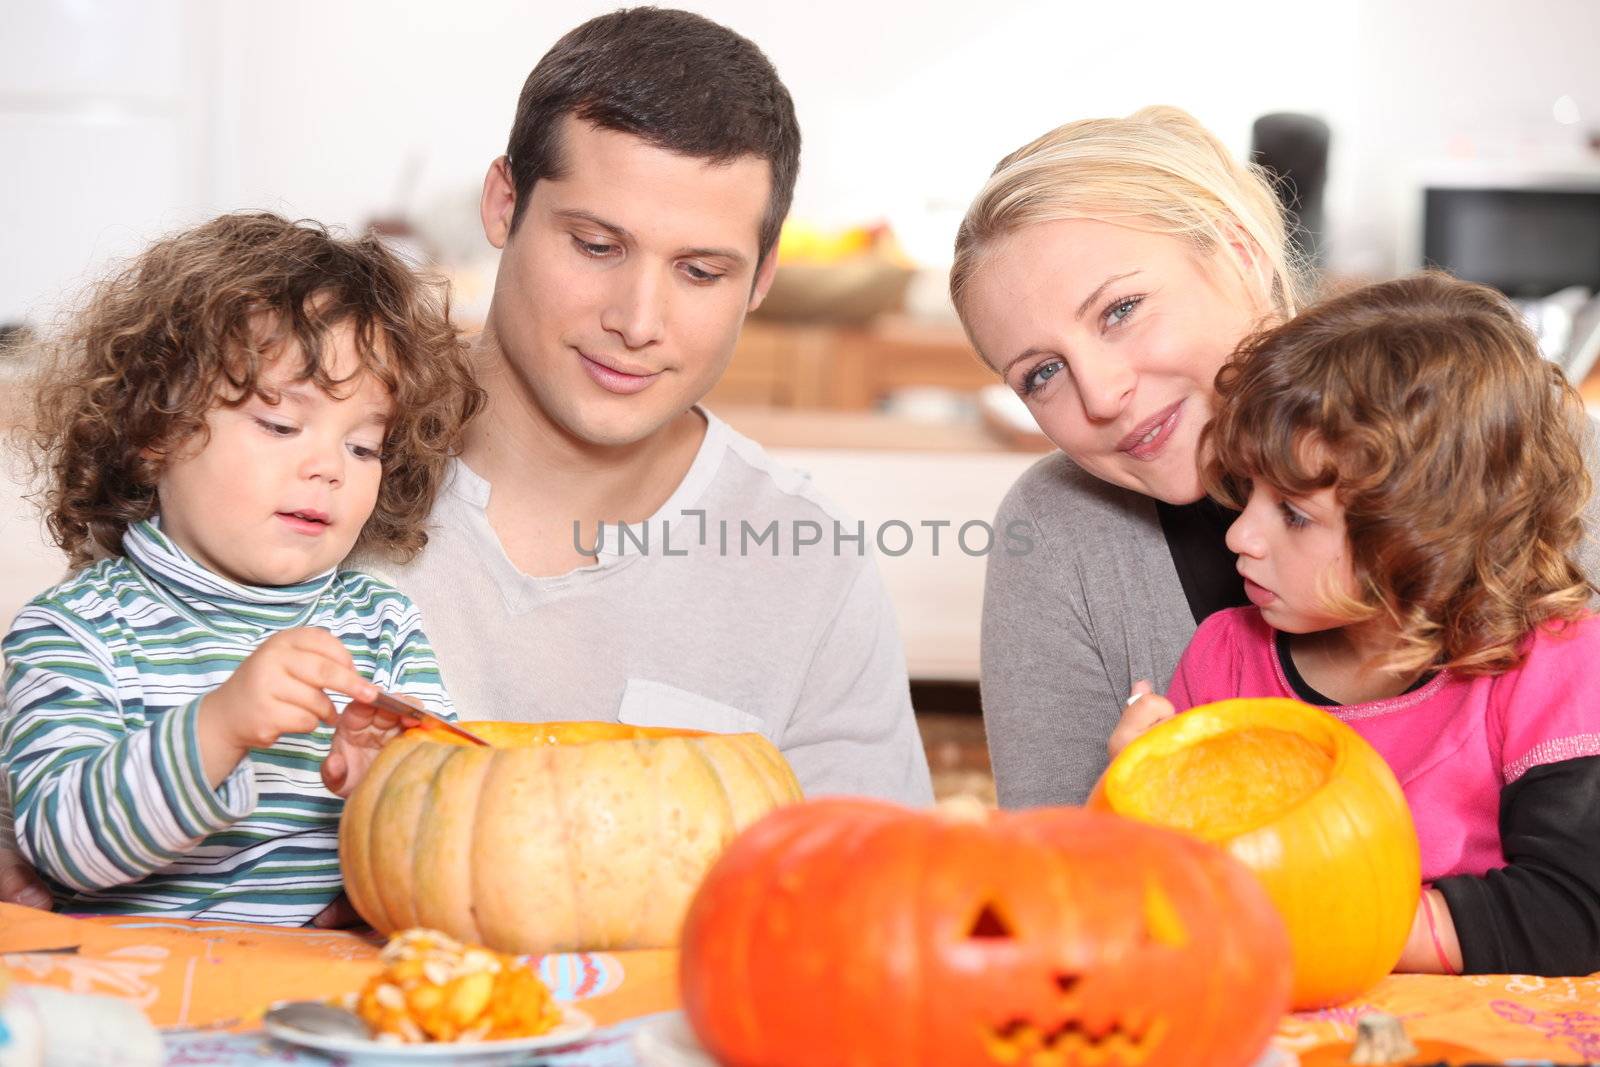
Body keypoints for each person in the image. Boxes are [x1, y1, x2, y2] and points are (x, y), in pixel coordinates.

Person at [350, 8, 933, 804]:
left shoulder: (808, 568)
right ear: (502, 203)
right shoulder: (309, 462)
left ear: (762, 278)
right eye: (596, 246)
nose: (637, 321)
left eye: (700, 272)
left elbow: (868, 895)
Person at [948, 106, 1600, 807]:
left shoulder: (1547, 448)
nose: (1103, 395)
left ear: (1242, 254)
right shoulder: (1055, 531)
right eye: (1042, 373)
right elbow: (1057, 876)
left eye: (1121, 309)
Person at [1108, 273, 1600, 976]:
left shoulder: (1554, 663)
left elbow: (1573, 910)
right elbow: (1164, 903)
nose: (1240, 535)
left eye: (1295, 514)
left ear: (1425, 535)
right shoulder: (1224, 658)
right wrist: (1138, 796)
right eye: (1247, 493)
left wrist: (1331, 921)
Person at [0, 213, 480, 920]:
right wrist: (219, 726)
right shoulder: (74, 632)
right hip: (143, 1001)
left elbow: (458, 827)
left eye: (364, 447)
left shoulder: (382, 625)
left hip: (323, 1002)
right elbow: (61, 844)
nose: (326, 468)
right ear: (154, 434)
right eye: (281, 425)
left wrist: (391, 792)